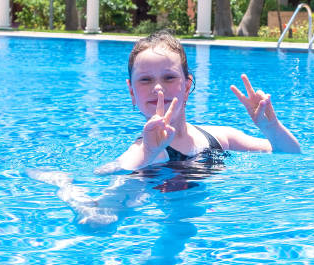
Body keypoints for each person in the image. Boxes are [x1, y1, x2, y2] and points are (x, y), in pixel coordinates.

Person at [93, 30, 301, 175]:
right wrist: (148, 152)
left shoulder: (220, 138)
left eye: (169, 78)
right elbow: (103, 202)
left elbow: (290, 154)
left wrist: (271, 127)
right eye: (145, 80)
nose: (158, 88)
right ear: (132, 91)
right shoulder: (143, 152)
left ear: (186, 86)